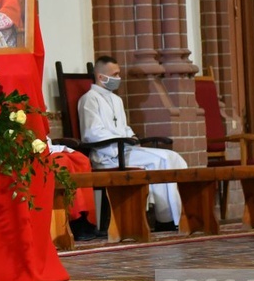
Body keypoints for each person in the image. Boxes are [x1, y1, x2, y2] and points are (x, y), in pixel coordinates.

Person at [78, 55, 187, 230]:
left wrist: (131, 137)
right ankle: (165, 219)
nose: (118, 78)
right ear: (100, 77)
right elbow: (91, 133)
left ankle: (181, 215)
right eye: (115, 74)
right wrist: (121, 140)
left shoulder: (116, 100)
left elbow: (124, 127)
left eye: (119, 74)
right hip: (108, 155)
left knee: (173, 157)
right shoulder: (89, 99)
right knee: (161, 160)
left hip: (126, 150)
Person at [48, 139, 102, 241]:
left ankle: (88, 220)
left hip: (46, 147)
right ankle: (75, 221)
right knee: (62, 161)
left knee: (81, 160)